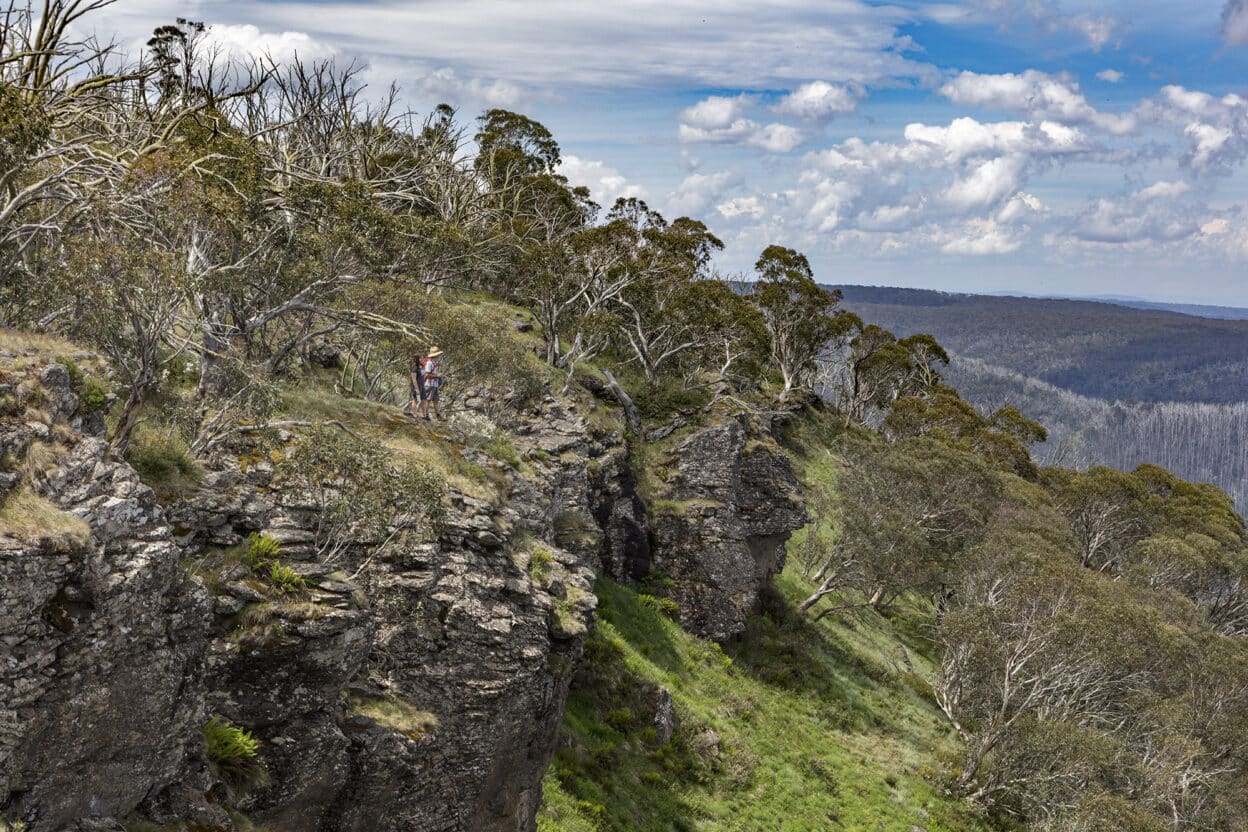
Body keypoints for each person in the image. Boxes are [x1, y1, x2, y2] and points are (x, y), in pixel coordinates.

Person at [418, 346, 445, 421]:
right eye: (438, 355)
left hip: (434, 384)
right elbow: (427, 374)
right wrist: (437, 375)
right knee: (428, 400)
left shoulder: (435, 362)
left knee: (436, 400)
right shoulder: (429, 363)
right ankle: (425, 415)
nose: (439, 356)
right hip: (429, 384)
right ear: (435, 355)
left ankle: (438, 415)